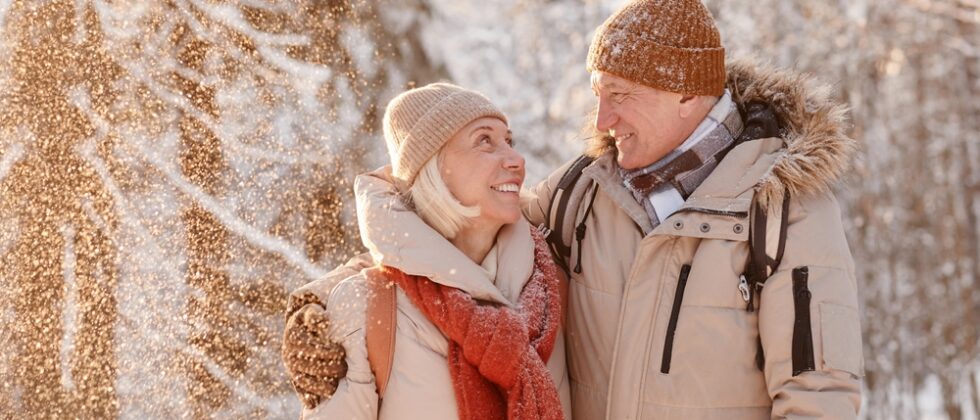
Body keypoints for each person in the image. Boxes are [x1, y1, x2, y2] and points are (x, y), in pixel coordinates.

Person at [284, 0, 865, 418]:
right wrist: (332, 302)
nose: (603, 121)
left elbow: (820, 395)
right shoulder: (583, 192)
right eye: (598, 96)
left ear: (687, 93)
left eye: (621, 97)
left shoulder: (782, 209)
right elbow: (452, 235)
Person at [284, 83, 571, 419]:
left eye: (509, 141)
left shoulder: (551, 285)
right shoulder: (368, 308)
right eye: (484, 141)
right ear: (433, 166)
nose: (516, 159)